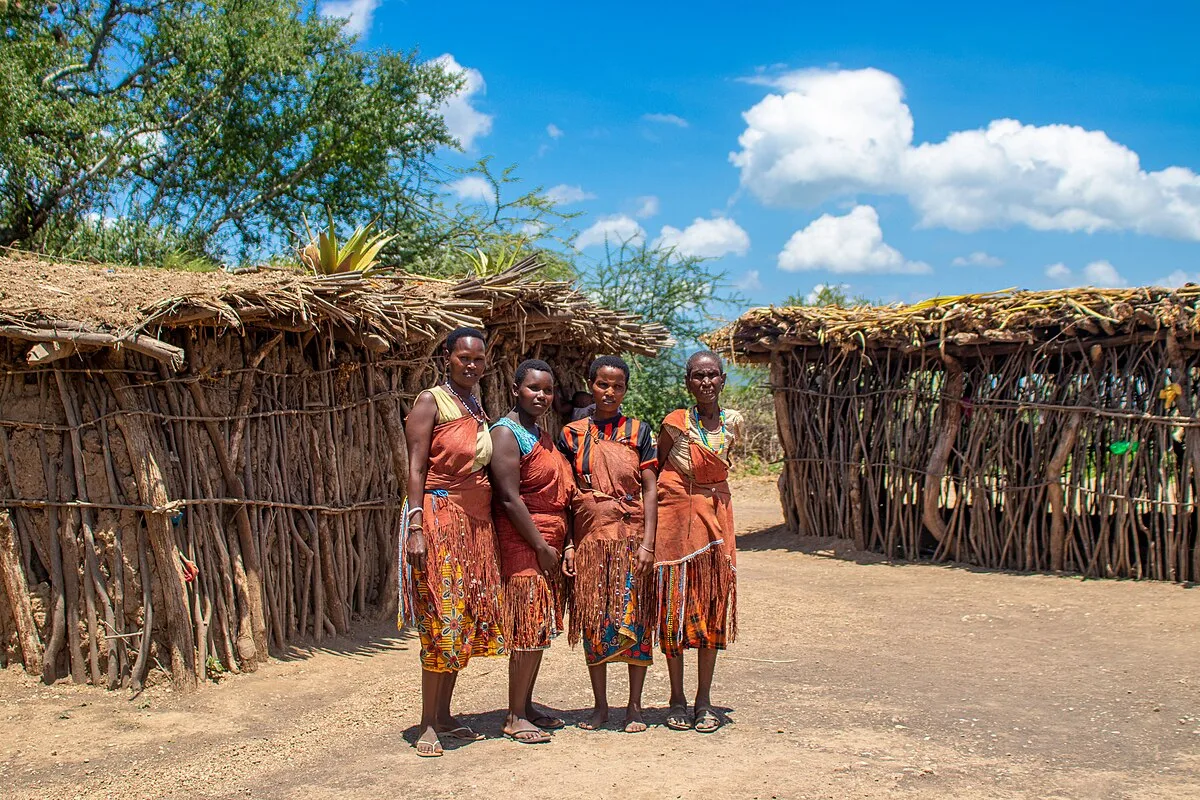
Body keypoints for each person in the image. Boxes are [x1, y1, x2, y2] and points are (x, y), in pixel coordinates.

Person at [399, 327, 505, 757]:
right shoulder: (431, 401)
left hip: (475, 524)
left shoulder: (473, 404)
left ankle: (445, 716)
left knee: (460, 619)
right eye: (464, 357)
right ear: (447, 357)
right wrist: (415, 526)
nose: (472, 365)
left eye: (478, 359)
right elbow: (415, 468)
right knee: (440, 617)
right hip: (440, 520)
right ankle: (427, 723)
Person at [558, 355, 658, 733]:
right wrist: (569, 544)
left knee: (636, 617)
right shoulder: (571, 434)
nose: (610, 392)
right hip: (591, 538)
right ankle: (600, 706)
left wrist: (648, 544)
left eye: (618, 386)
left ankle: (634, 706)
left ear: (626, 389)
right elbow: (566, 497)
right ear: (591, 384)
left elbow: (650, 489)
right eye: (603, 384)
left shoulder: (638, 431)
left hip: (632, 537)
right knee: (594, 619)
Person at [654, 350, 743, 733]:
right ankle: (676, 698)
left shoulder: (734, 424)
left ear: (722, 380)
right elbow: (659, 469)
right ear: (687, 382)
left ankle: (703, 700)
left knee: (711, 613)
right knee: (674, 612)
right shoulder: (674, 425)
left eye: (712, 376)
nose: (705, 382)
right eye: (697, 376)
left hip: (716, 525)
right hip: (675, 526)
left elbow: (722, 471)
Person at [489, 359, 575, 744]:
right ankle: (512, 715)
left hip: (548, 540)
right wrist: (539, 546)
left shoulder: (539, 433)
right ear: (515, 390)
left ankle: (526, 705)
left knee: (539, 625)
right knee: (527, 622)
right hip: (523, 540)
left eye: (547, 390)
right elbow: (508, 498)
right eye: (533, 388)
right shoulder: (506, 433)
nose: (541, 396)